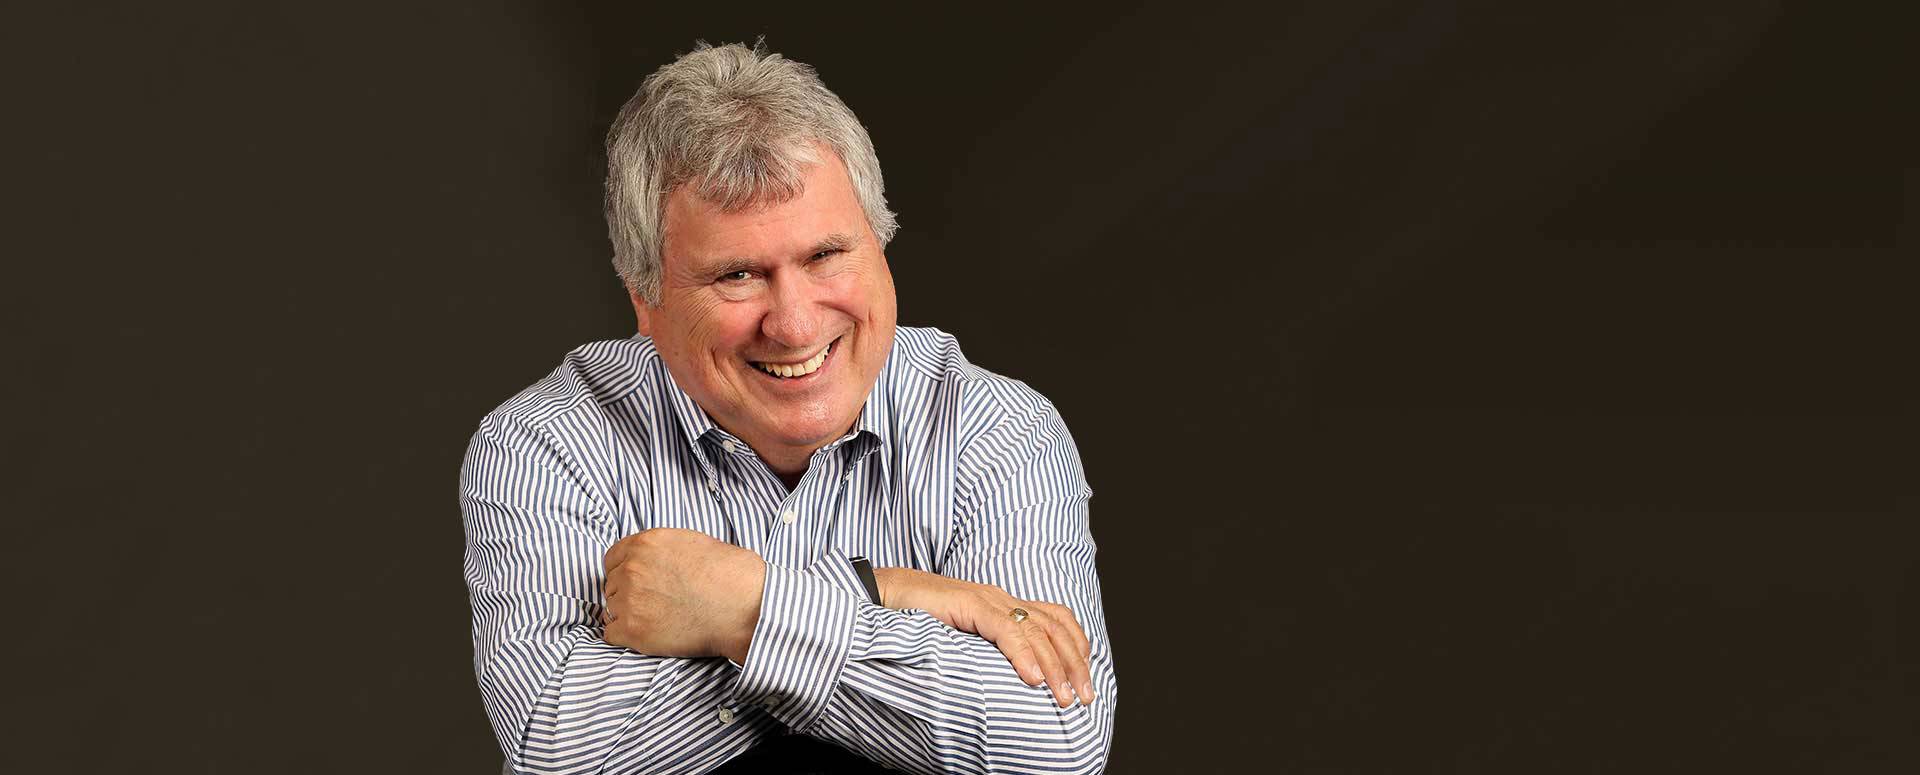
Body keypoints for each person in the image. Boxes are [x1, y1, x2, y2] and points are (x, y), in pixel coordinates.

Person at [459, 40, 1116, 775]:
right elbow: (556, 748)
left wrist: (738, 607)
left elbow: (1054, 745)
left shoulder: (995, 428)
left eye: (825, 255)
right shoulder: (546, 443)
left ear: (881, 246)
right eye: (738, 275)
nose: (796, 325)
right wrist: (886, 591)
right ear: (646, 299)